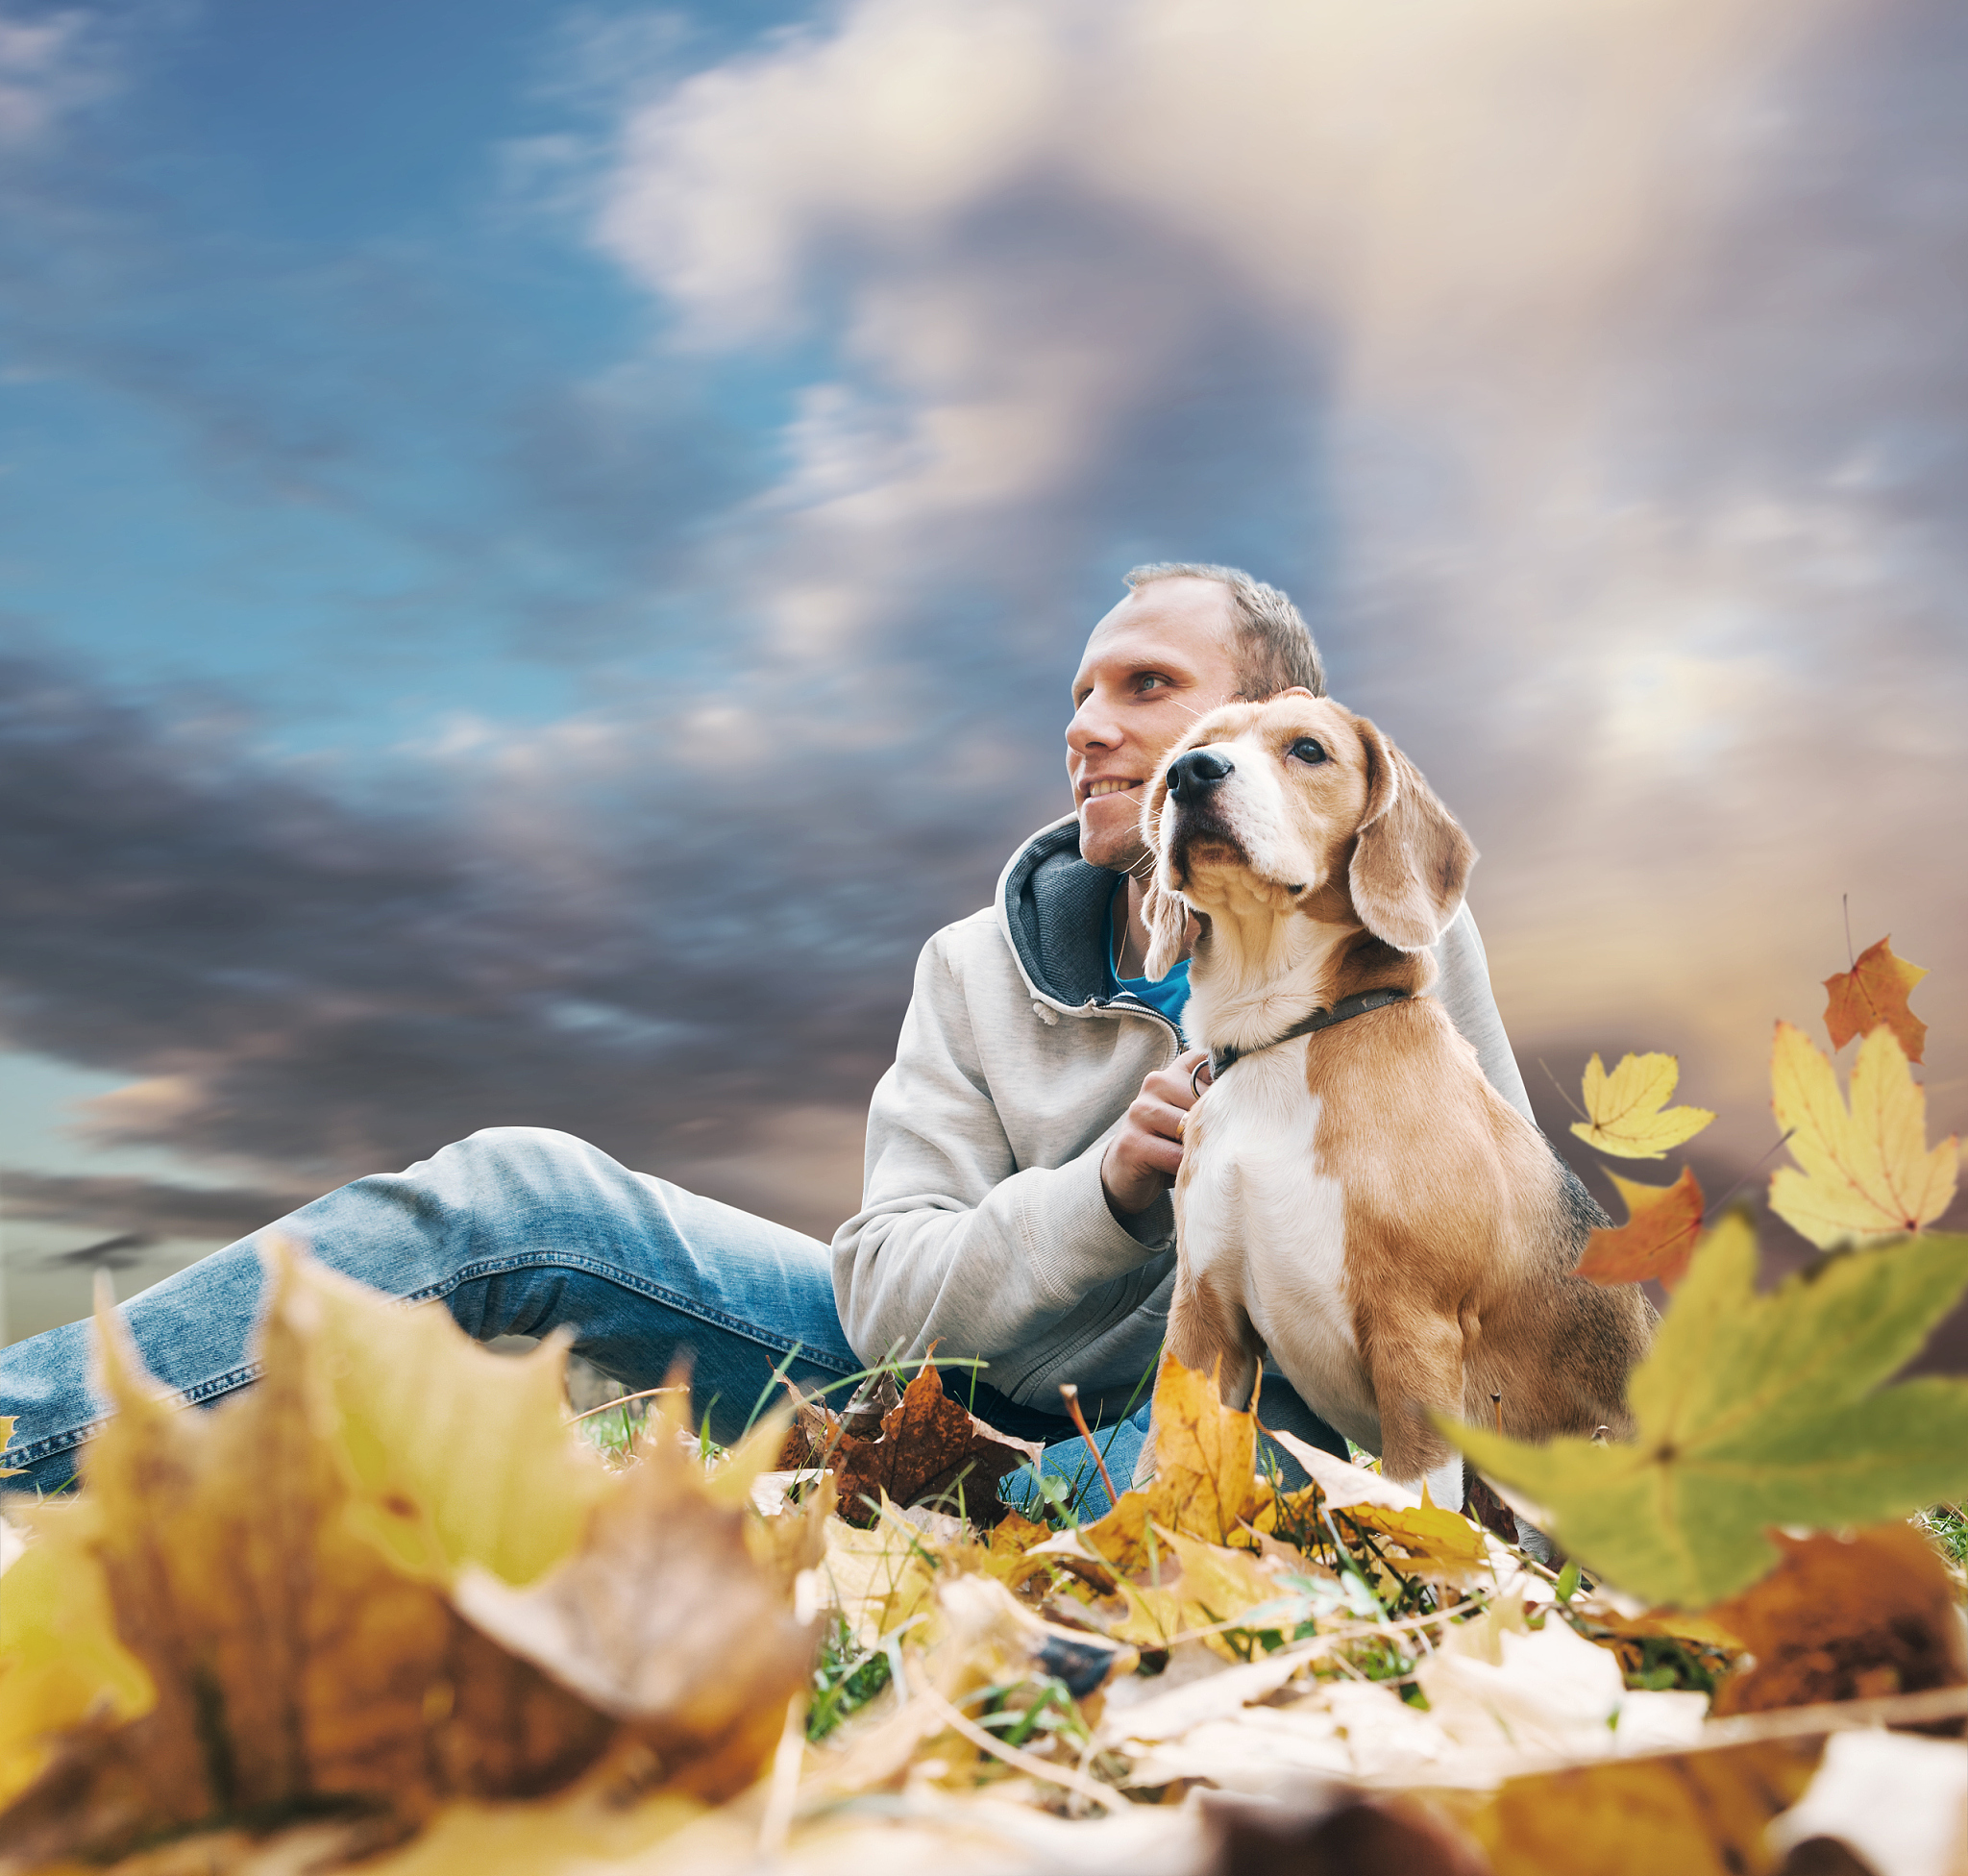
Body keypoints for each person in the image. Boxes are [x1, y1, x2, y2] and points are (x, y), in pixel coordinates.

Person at [0, 564, 1533, 1512]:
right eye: (1079, 694)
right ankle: (25, 1435)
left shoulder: (1397, 934)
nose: (1088, 726)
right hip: (925, 1390)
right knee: (520, 1189)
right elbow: (881, 1292)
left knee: (1287, 1483)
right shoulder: (972, 974)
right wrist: (1110, 1196)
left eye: (1147, 688)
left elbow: (1508, 1264)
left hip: (1230, 1438)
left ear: (1284, 730)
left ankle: (943, 1532)